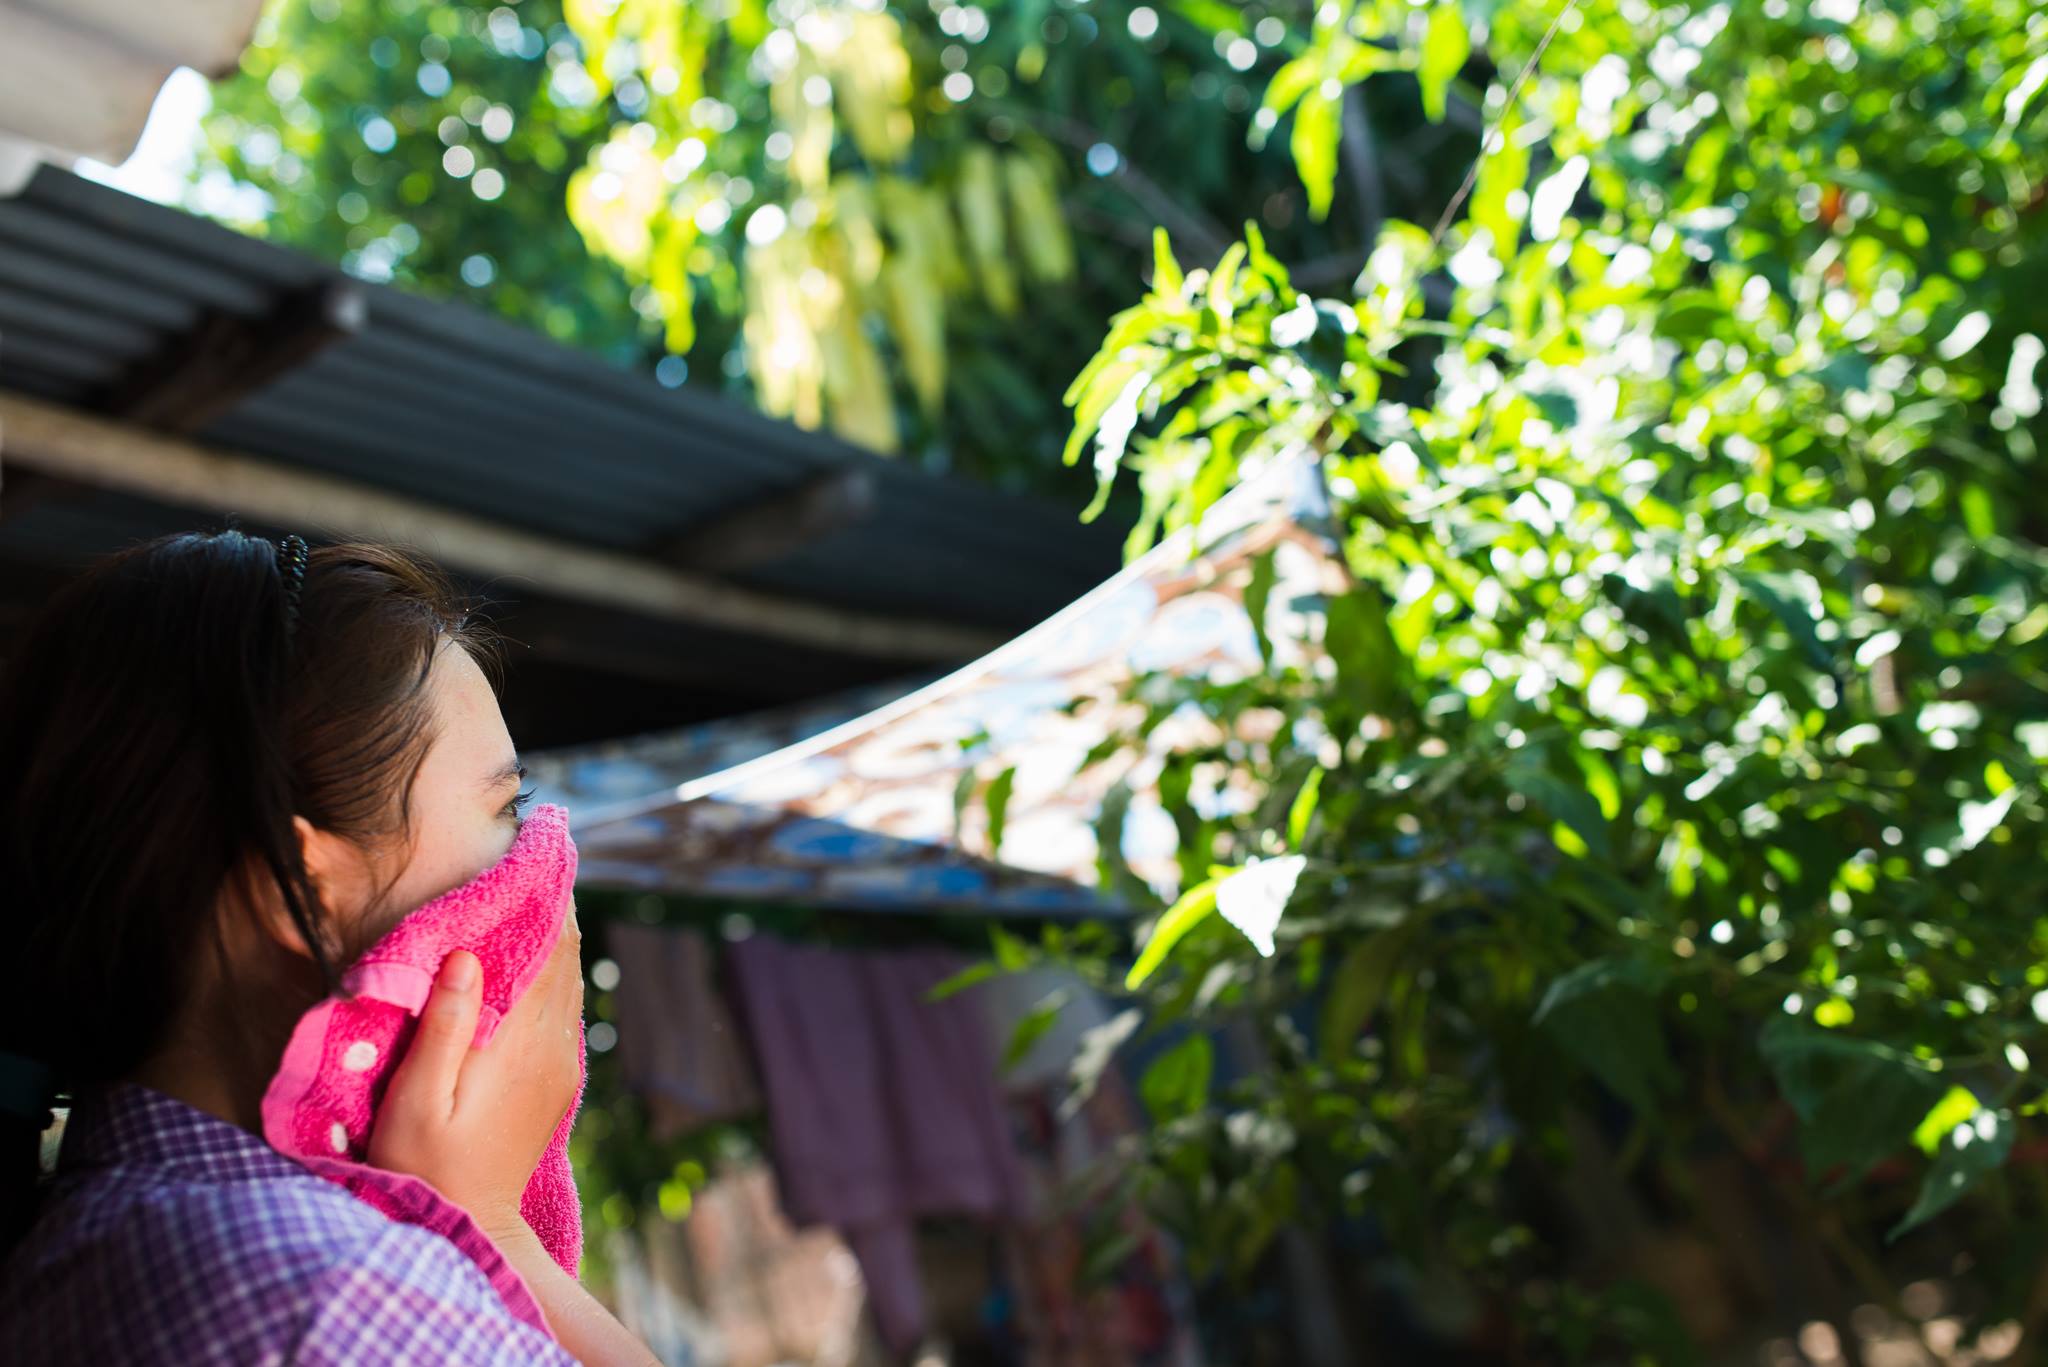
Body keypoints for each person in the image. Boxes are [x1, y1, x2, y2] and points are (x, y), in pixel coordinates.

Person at [0, 530, 658, 1365]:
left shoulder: (113, 1227)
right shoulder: (327, 1296)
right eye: (505, 811)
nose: (539, 869)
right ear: (299, 891)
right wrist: (489, 1224)